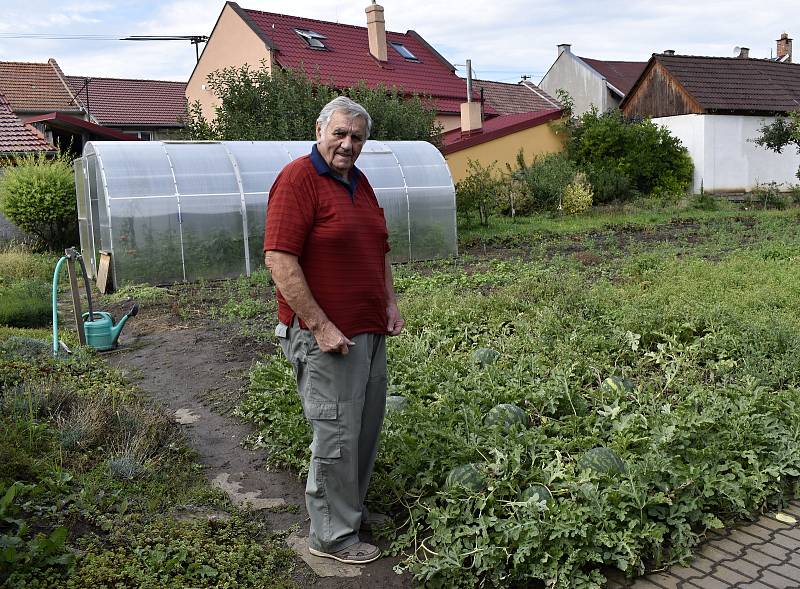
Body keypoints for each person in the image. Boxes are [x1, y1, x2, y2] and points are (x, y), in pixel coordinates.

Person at [264, 96, 405, 564]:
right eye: (340, 134)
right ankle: (331, 536)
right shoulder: (298, 180)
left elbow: (379, 249)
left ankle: (351, 512)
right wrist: (320, 325)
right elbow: (280, 260)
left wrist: (389, 302)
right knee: (336, 433)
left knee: (363, 429)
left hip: (367, 330)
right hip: (325, 336)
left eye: (357, 137)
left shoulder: (360, 184)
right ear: (320, 129)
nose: (348, 144)